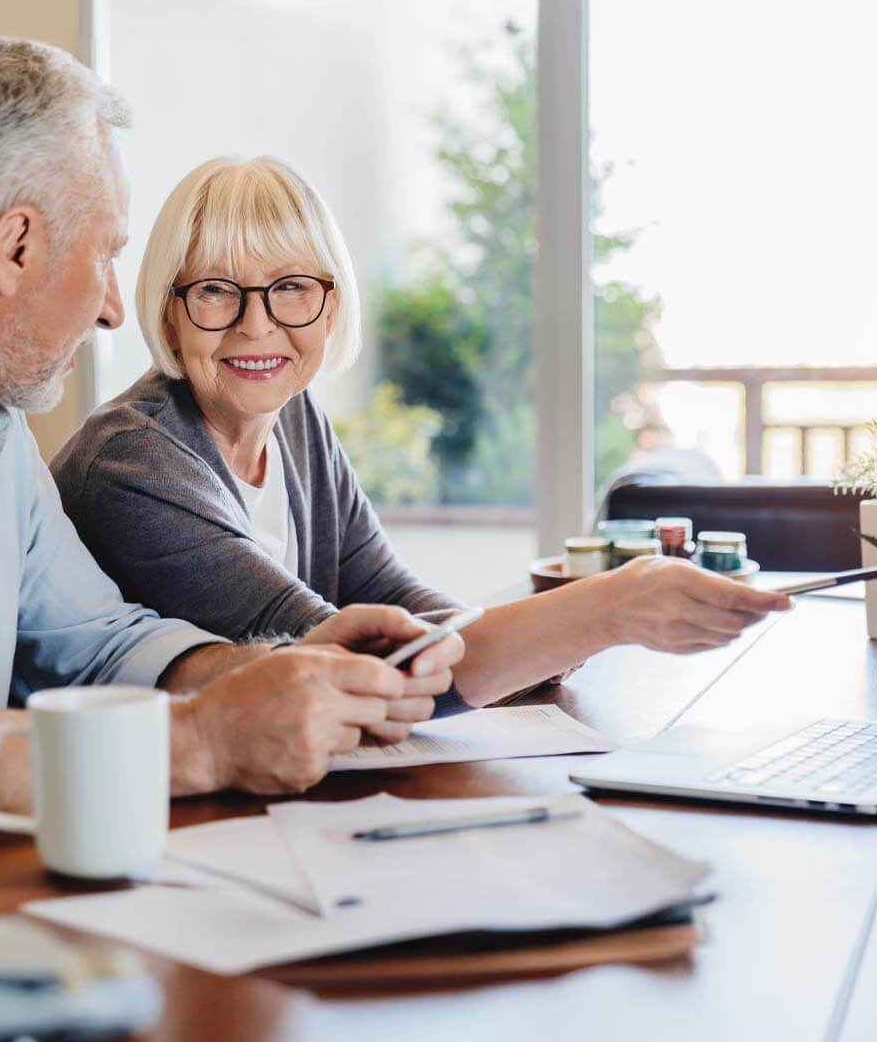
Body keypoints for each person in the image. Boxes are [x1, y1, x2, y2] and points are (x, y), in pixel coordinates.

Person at [0, 38, 462, 841]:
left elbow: (97, 639)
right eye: (107, 256)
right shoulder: (127, 453)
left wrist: (270, 671)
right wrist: (195, 742)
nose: (112, 311)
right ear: (15, 248)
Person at [52, 155, 791, 716]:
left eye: (291, 288)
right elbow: (352, 663)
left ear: (331, 304)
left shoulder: (297, 420)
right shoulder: (133, 462)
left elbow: (390, 595)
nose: (257, 324)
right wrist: (601, 612)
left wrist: (529, 648)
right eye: (215, 289)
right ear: (169, 310)